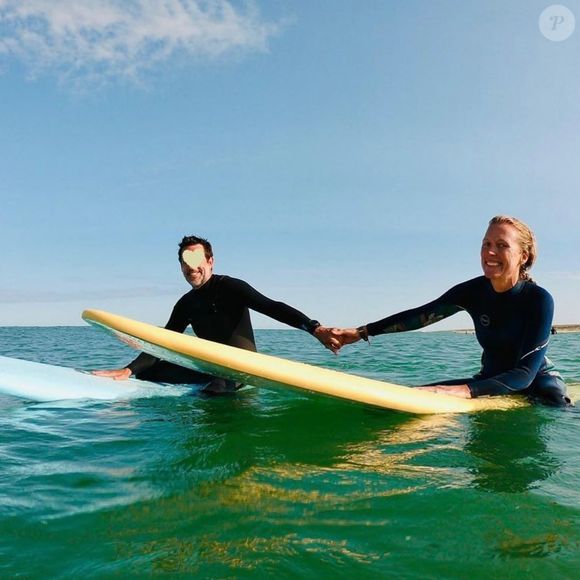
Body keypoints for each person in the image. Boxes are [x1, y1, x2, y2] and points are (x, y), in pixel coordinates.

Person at [333, 216, 571, 407]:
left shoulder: (538, 300)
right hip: (487, 381)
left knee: (555, 403)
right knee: (416, 394)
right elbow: (421, 316)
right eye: (486, 244)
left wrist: (466, 391)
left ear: (523, 256)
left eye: (502, 246)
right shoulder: (473, 291)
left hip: (539, 383)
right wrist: (362, 332)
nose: (489, 252)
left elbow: (525, 374)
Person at [93, 235, 339, 394]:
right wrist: (128, 370)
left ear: (211, 261)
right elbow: (163, 342)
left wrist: (314, 328)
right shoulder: (186, 304)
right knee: (148, 372)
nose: (191, 267)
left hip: (240, 370)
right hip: (209, 367)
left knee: (216, 390)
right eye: (185, 261)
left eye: (197, 259)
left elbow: (272, 307)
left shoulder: (231, 287)